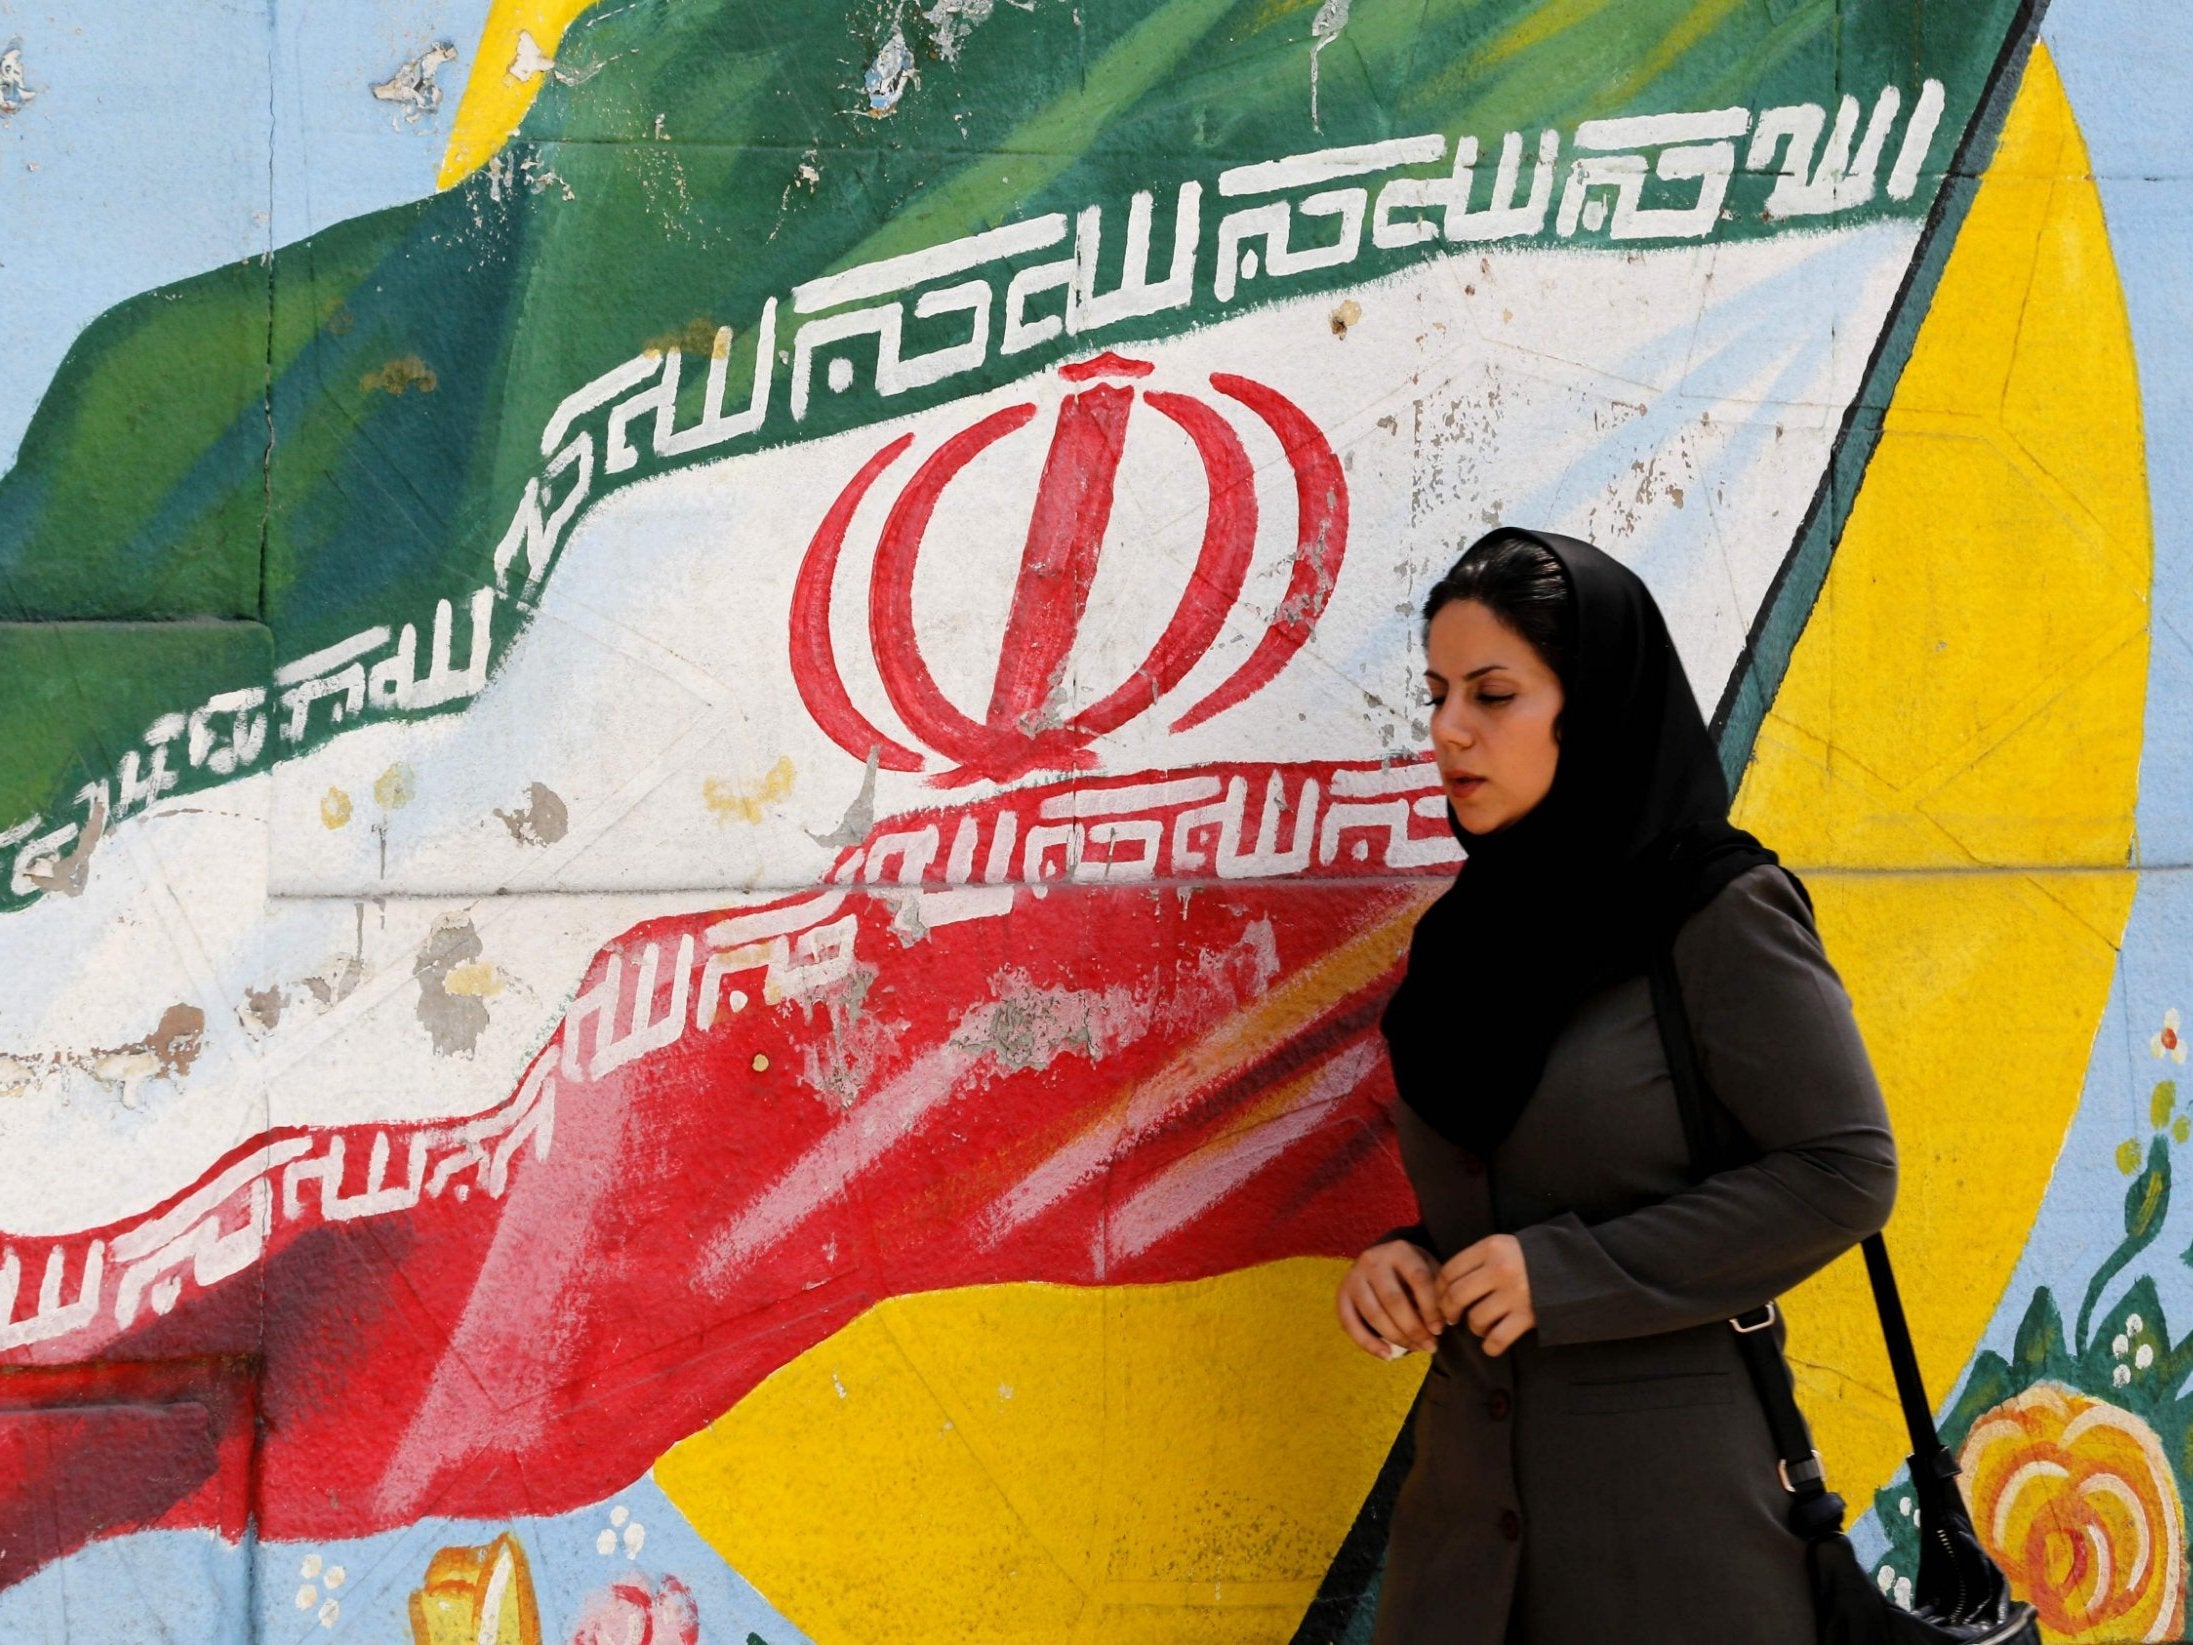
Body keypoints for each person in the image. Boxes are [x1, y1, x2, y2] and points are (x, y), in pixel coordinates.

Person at [1338, 528, 1898, 1644]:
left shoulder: (1717, 910)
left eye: (1495, 694)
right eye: (1440, 693)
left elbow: (1844, 1171)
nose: (1450, 730)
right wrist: (1412, 1260)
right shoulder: (1461, 946)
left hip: (1669, 1535)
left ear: (1590, 705)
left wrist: (1568, 1273)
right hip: (1466, 1536)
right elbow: (1521, 1179)